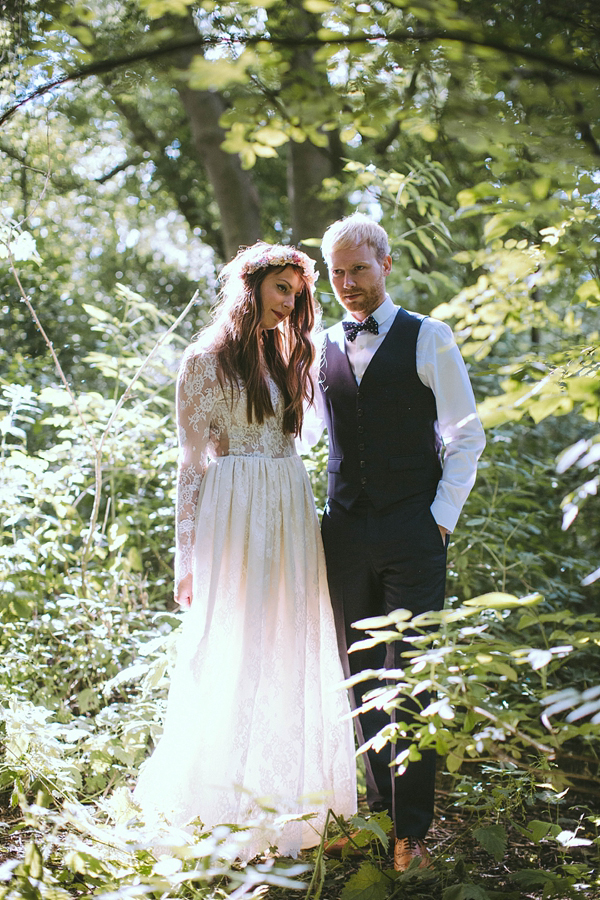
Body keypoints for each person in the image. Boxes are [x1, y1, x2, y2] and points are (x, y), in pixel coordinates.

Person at [134, 242, 357, 860]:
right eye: (281, 289)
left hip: (287, 501)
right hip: (235, 508)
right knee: (237, 638)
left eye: (297, 292)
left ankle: (287, 796)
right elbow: (190, 464)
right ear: (252, 285)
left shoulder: (285, 354)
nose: (291, 303)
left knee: (290, 636)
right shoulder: (204, 360)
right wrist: (186, 555)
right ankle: (220, 800)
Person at [300, 213, 485, 871]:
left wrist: (438, 519)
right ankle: (379, 818)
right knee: (360, 679)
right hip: (343, 534)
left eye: (359, 268)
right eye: (338, 272)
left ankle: (412, 833)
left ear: (384, 264)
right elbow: (306, 437)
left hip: (414, 531)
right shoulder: (317, 345)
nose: (348, 283)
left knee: (409, 678)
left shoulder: (428, 337)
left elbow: (467, 435)